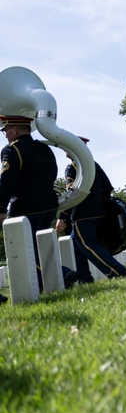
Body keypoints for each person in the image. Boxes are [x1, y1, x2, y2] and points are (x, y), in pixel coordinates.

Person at [0, 115, 80, 293]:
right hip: (49, 205)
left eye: (6, 130)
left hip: (26, 207)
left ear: (15, 129)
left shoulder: (12, 150)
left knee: (26, 250)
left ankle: (63, 274)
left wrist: (0, 208)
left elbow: (7, 181)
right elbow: (53, 173)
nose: (5, 134)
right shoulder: (43, 148)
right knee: (41, 247)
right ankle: (46, 285)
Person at [55, 139, 126, 281]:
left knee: (88, 246)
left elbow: (72, 194)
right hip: (99, 212)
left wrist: (62, 216)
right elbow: (107, 188)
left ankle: (119, 272)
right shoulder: (93, 165)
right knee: (76, 247)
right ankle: (85, 280)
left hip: (82, 214)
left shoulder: (73, 167)